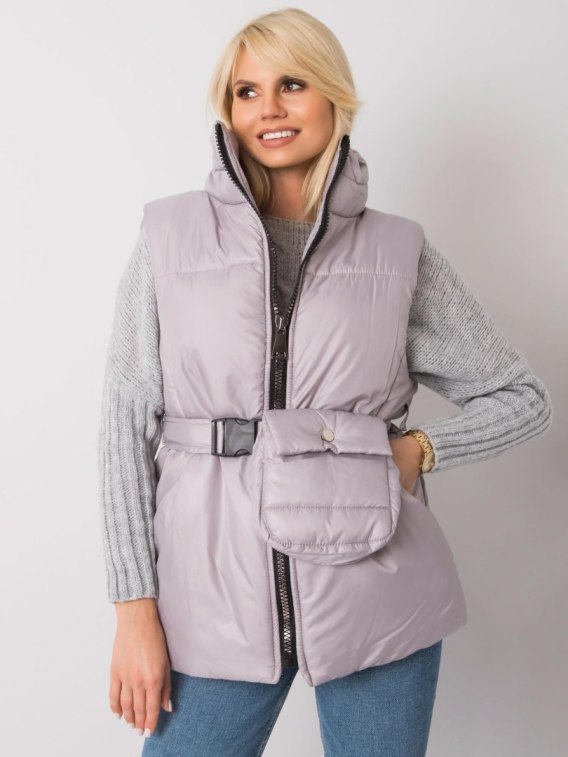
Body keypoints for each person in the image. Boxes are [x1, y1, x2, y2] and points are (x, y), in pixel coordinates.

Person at [97, 8, 553, 756]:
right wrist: (133, 607)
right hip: (210, 598)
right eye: (246, 91)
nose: (269, 109)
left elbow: (522, 399)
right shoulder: (168, 238)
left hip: (379, 593)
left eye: (292, 84)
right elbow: (124, 423)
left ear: (333, 94)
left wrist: (417, 451)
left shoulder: (398, 252)